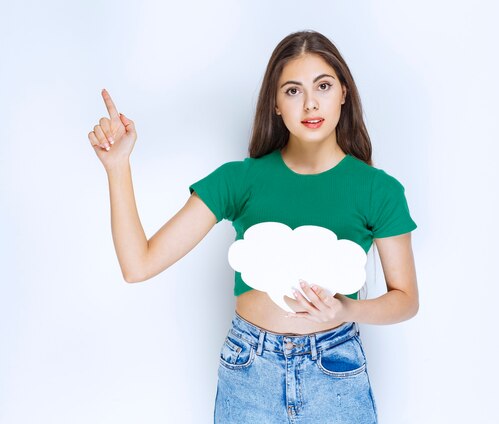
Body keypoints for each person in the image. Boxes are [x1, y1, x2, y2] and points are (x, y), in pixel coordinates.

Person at [87, 30, 418, 423]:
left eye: (323, 86)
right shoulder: (238, 181)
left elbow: (405, 299)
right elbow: (137, 265)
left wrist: (345, 308)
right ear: (276, 104)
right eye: (293, 91)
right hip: (249, 373)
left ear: (344, 93)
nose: (310, 103)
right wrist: (117, 166)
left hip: (336, 371)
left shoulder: (379, 190)